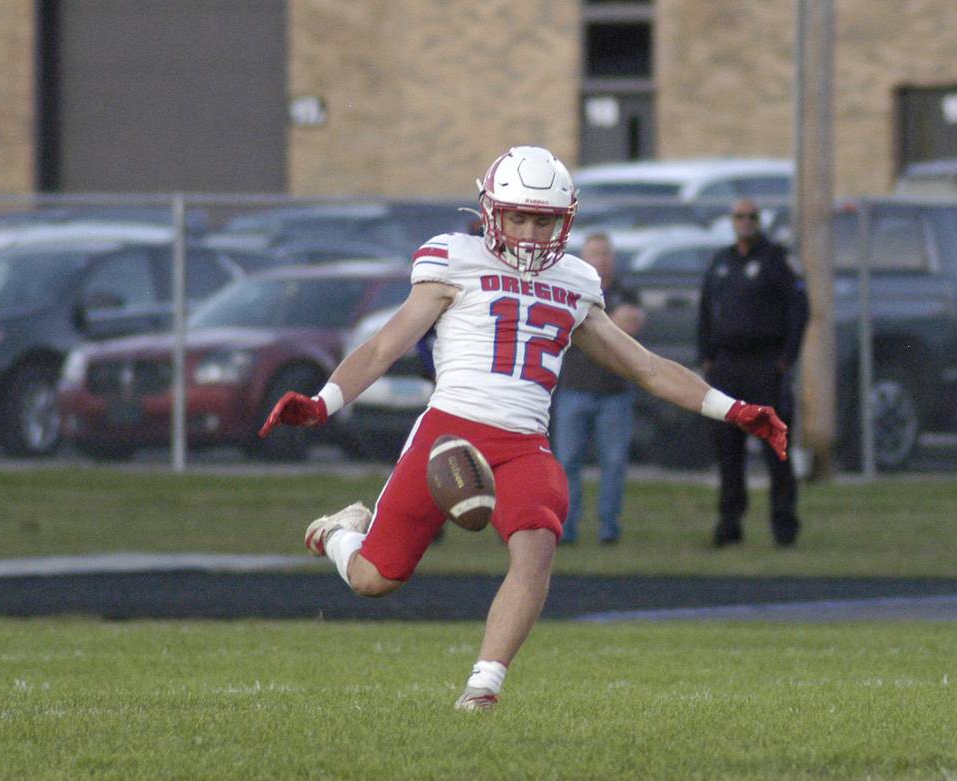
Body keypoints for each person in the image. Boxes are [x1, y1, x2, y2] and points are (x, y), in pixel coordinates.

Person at [258, 146, 788, 712]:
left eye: (544, 220)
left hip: (523, 445)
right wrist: (321, 403)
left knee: (536, 547)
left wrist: (734, 409)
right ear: (492, 213)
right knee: (373, 579)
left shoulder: (577, 281)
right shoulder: (452, 260)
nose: (532, 234)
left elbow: (646, 366)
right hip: (448, 436)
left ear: (566, 221)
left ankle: (483, 687)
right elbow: (386, 346)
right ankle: (339, 532)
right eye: (519, 217)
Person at [698, 198, 809, 548]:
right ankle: (729, 524)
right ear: (731, 221)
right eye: (739, 216)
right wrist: (707, 356)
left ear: (760, 221)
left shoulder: (777, 260)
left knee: (775, 446)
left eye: (751, 217)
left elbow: (799, 310)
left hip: (764, 365)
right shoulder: (721, 262)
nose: (745, 222)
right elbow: (705, 311)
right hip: (727, 366)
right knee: (727, 447)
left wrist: (786, 359)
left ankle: (784, 525)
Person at [552, 232, 645, 545]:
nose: (601, 259)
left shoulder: (626, 292)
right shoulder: (570, 291)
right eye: (594, 253)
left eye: (605, 253)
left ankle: (608, 528)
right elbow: (563, 327)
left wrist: (589, 327)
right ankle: (567, 528)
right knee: (567, 462)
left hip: (614, 391)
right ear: (583, 258)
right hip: (574, 388)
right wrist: (608, 324)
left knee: (614, 462)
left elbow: (631, 324)